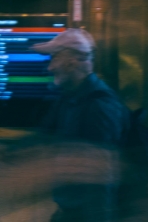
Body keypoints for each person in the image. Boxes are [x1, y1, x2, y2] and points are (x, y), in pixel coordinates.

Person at [34, 28, 124, 222]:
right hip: (69, 210)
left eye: (54, 59)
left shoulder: (99, 105)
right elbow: (44, 136)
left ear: (70, 61)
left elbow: (101, 175)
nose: (50, 67)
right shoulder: (69, 98)